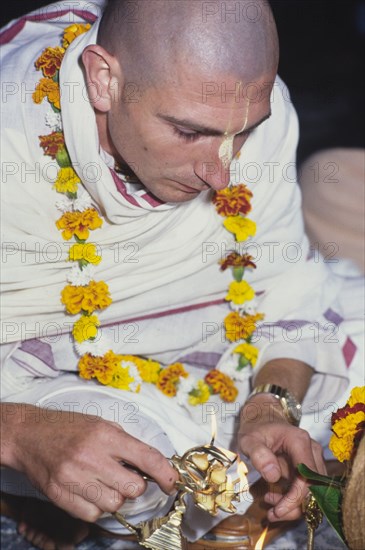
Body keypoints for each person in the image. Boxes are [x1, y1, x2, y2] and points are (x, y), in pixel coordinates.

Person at [0, 1, 363, 549]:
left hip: (212, 345)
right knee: (130, 456)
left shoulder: (253, 107)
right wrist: (21, 435)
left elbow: (289, 290)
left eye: (241, 135)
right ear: (103, 80)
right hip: (36, 373)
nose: (223, 174)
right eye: (189, 132)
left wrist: (268, 408)